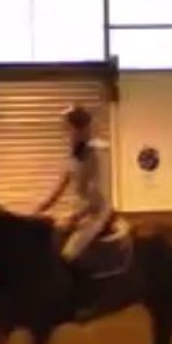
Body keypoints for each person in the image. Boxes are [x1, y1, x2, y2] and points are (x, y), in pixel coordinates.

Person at [33, 103, 114, 271]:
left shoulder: (98, 153)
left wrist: (77, 216)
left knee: (67, 255)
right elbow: (61, 185)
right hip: (78, 212)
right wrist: (40, 208)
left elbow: (99, 195)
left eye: (69, 128)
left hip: (97, 214)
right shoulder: (73, 154)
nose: (67, 133)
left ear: (82, 129)